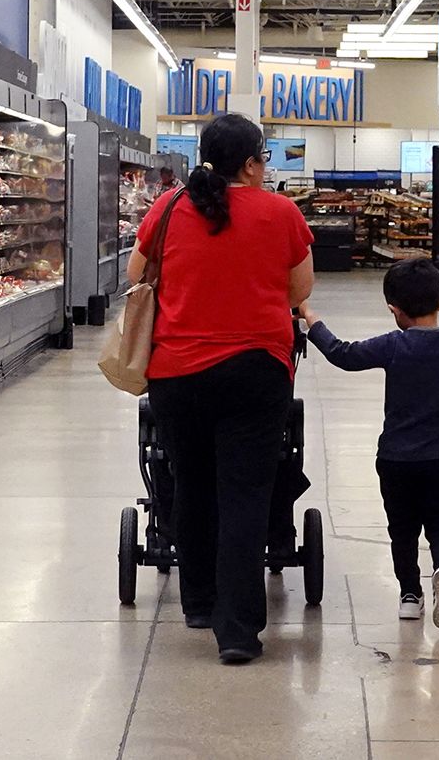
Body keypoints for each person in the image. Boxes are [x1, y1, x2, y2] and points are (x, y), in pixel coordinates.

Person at [130, 112, 313, 665]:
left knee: (191, 484)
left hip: (177, 374)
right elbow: (298, 289)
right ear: (253, 163)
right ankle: (236, 632)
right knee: (245, 496)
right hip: (255, 372)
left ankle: (200, 603)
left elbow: (139, 274)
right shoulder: (281, 212)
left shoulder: (168, 208)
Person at [303, 258, 439, 630]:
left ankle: (409, 596)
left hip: (396, 460)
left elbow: (343, 355)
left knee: (402, 529)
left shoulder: (393, 345)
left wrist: (311, 320)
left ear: (394, 311)